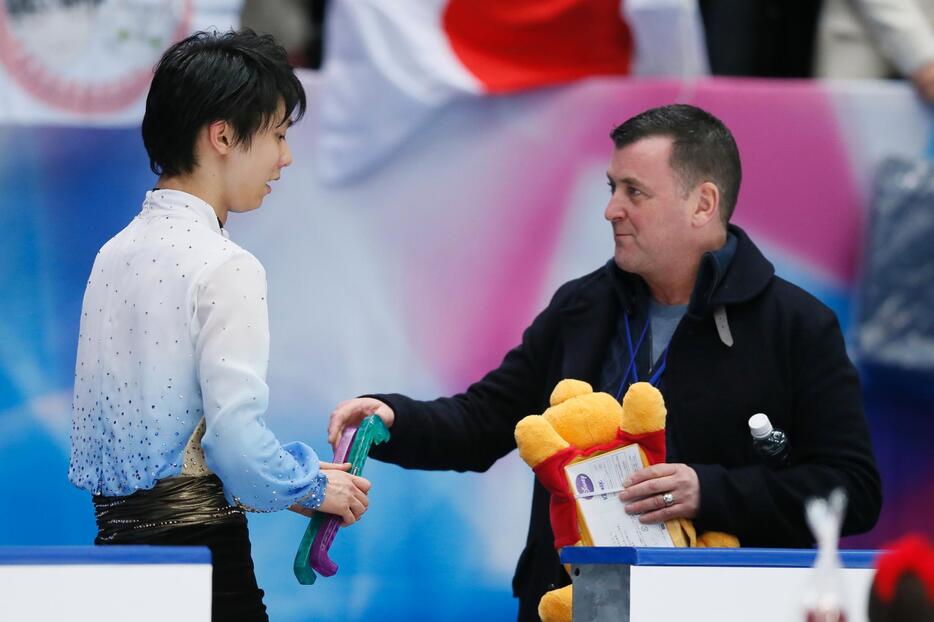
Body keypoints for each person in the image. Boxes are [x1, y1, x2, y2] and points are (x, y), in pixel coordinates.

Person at [328, 103, 882, 621]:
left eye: (634, 191)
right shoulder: (582, 306)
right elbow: (484, 421)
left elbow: (851, 490)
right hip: (570, 603)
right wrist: (392, 417)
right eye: (611, 187)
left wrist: (708, 491)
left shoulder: (797, 325)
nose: (610, 208)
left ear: (703, 204)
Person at [69, 29, 371, 621]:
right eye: (279, 135)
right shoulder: (225, 264)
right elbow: (233, 444)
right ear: (224, 135)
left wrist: (296, 479)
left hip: (110, 567)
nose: (285, 158)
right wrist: (312, 486)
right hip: (204, 569)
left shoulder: (112, 254)